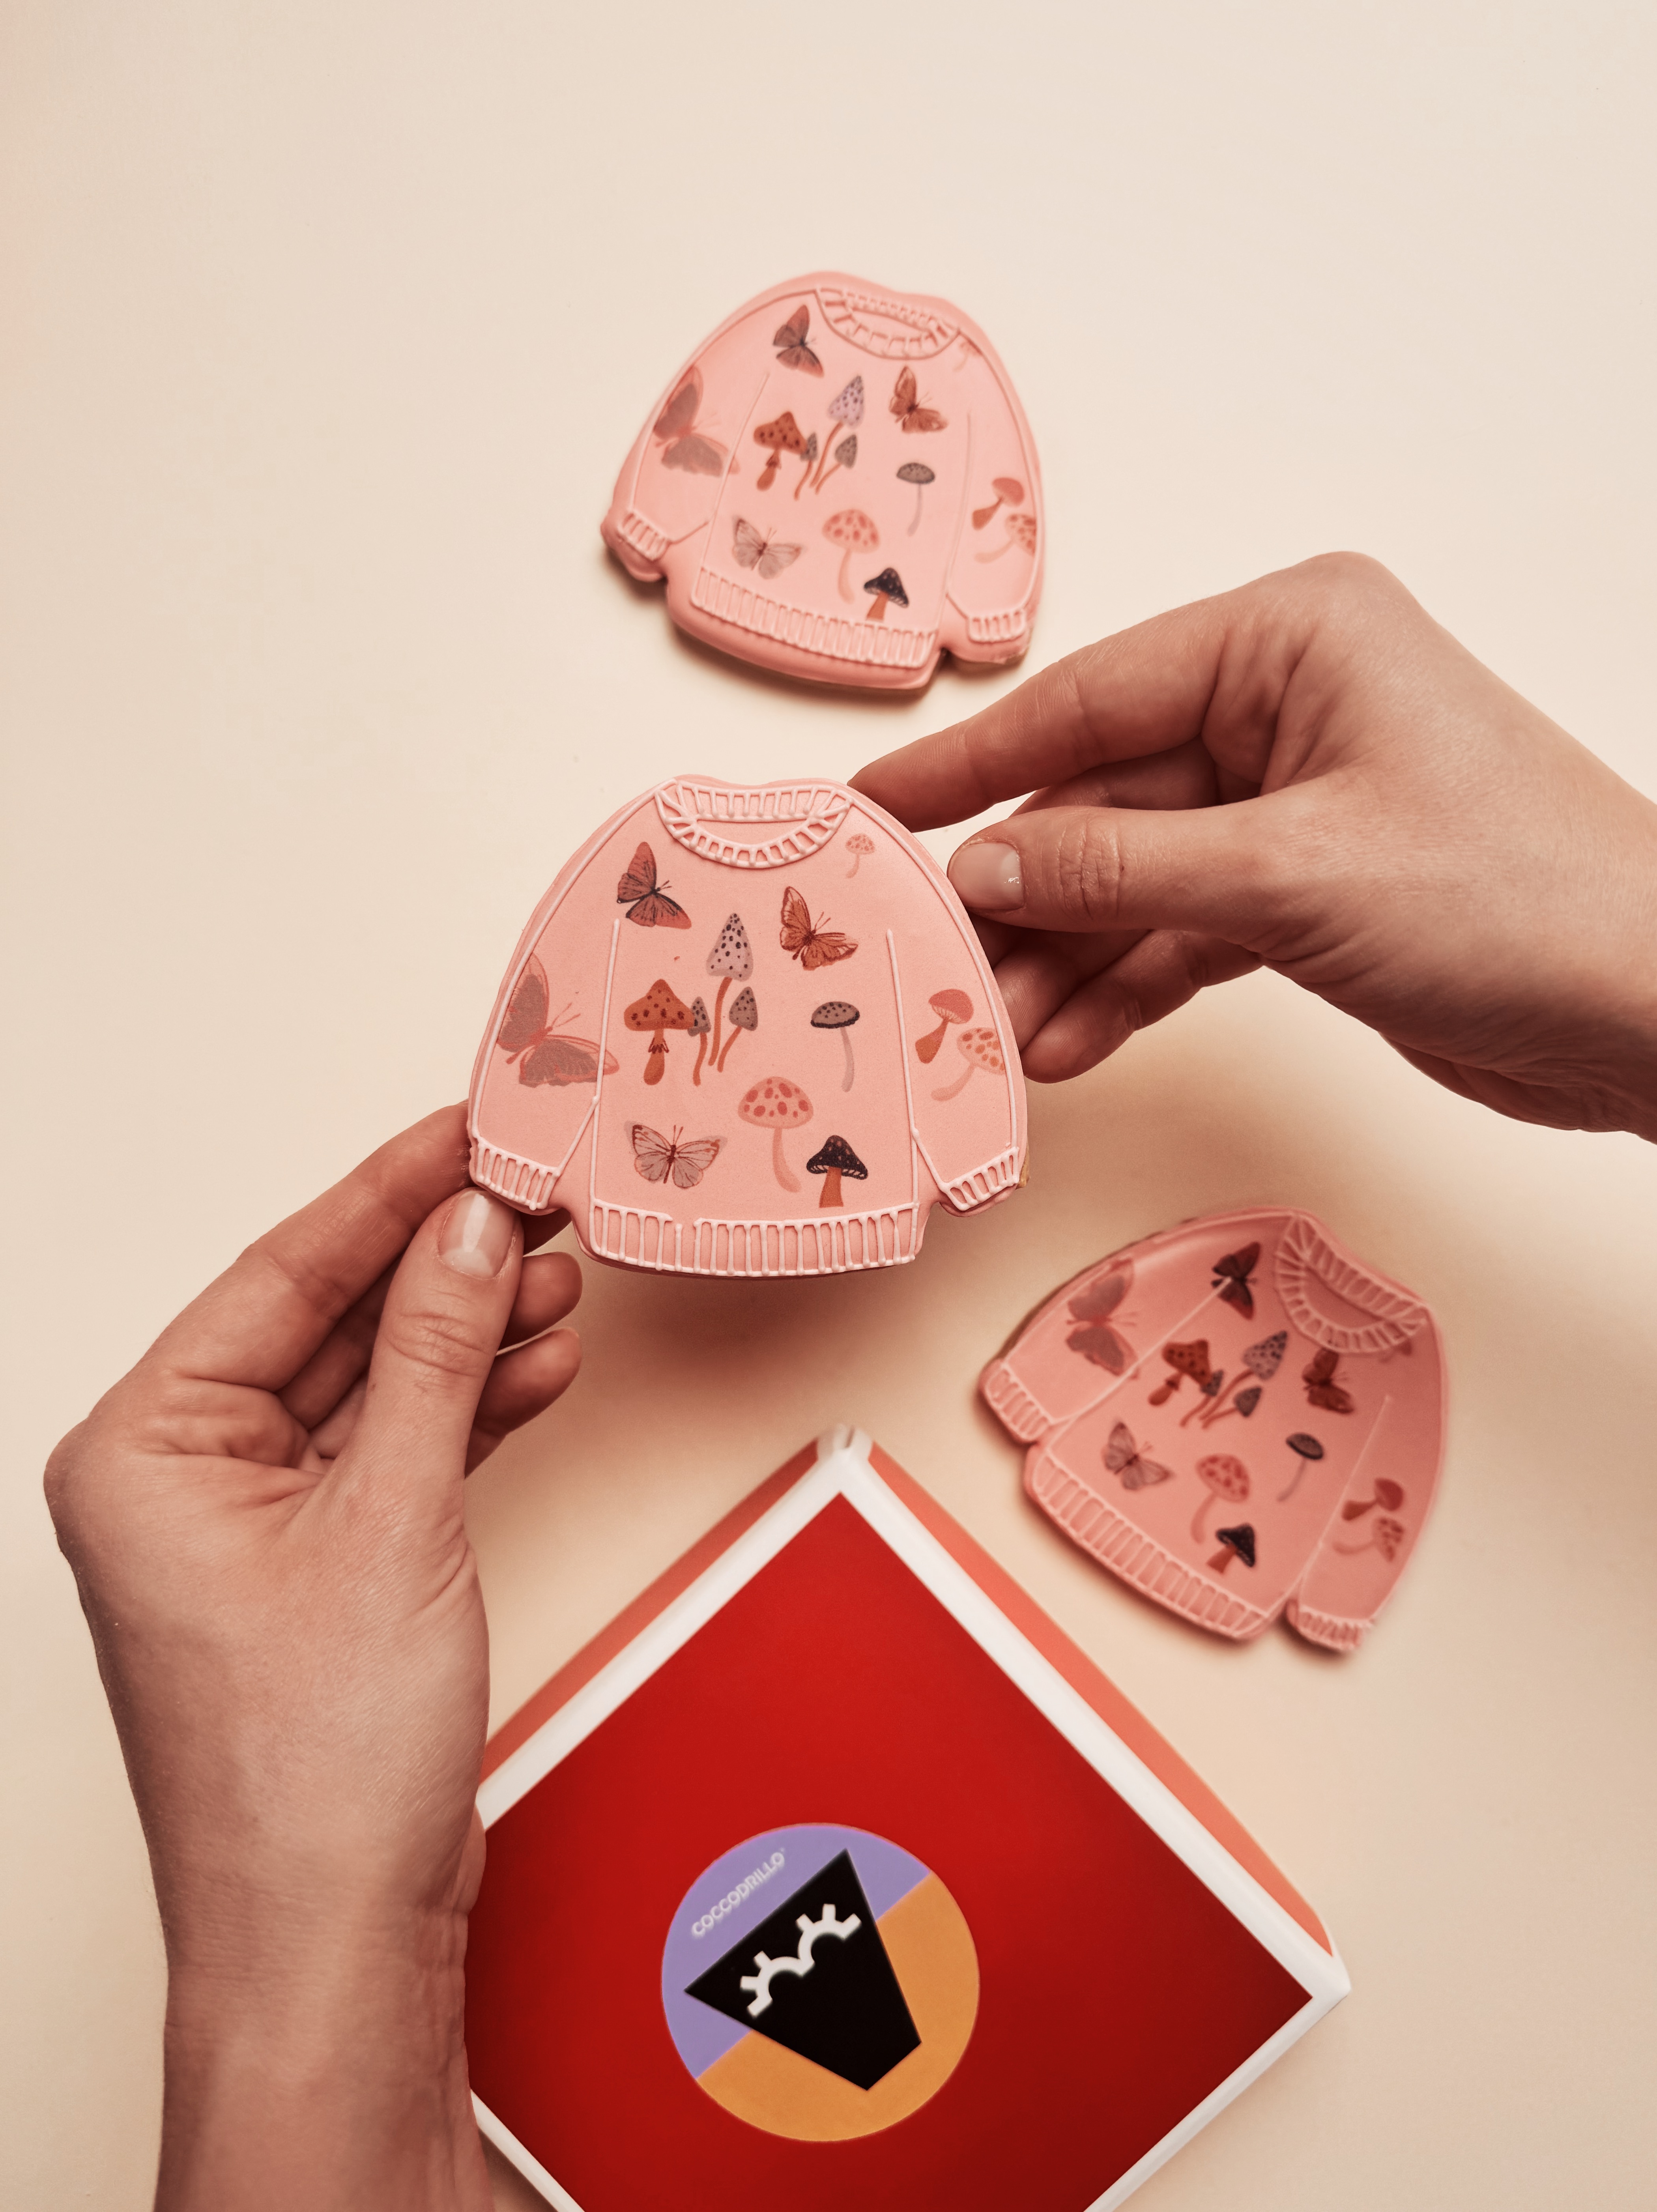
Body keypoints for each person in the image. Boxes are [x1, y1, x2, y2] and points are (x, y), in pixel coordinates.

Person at [45, 556, 1657, 2210]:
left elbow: (948, 1026)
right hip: (706, 1204)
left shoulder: (873, 881)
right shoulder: (654, 870)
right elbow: (567, 1020)